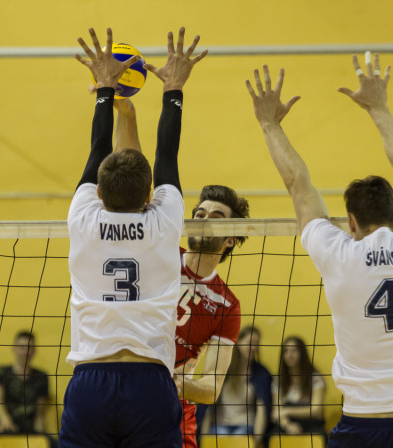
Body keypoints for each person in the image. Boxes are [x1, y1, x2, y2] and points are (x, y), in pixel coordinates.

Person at [246, 55, 393, 447]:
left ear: (351, 223)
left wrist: (268, 123)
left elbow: (298, 186)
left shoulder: (339, 254)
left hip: (360, 428)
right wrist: (378, 107)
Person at [60, 27, 206, 448]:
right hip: (149, 382)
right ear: (149, 195)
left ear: (98, 194)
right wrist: (173, 89)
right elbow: (167, 155)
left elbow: (96, 149)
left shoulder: (83, 220)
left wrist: (105, 90)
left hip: (91, 380)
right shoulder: (164, 224)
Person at [105, 85, 251, 448]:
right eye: (199, 213)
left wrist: (171, 380)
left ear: (230, 238)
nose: (202, 220)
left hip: (171, 408)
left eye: (216, 218)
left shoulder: (227, 306)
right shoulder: (162, 250)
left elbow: (212, 389)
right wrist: (126, 114)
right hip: (120, 388)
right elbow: (131, 183)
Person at [203, 326, 270, 447]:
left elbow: (262, 408)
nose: (253, 347)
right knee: (220, 435)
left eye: (256, 344)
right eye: (250, 343)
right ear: (238, 342)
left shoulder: (261, 373)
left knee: (239, 438)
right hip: (220, 424)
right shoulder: (223, 369)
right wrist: (203, 437)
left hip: (245, 425)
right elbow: (208, 406)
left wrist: (258, 438)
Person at [0, 330, 54, 447]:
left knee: (56, 444)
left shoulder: (41, 377)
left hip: (28, 431)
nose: (25, 351)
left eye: (29, 347)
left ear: (34, 351)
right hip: (3, 429)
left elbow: (39, 413)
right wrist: (5, 421)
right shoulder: (0, 372)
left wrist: (41, 432)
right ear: (13, 348)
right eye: (22, 347)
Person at [270, 336, 326, 437]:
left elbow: (316, 411)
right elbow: (277, 411)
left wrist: (287, 411)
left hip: (310, 424)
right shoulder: (278, 380)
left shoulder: (315, 378)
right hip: (287, 424)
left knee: (319, 435)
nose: (289, 355)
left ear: (302, 354)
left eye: (294, 351)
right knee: (273, 435)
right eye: (286, 351)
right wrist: (288, 425)